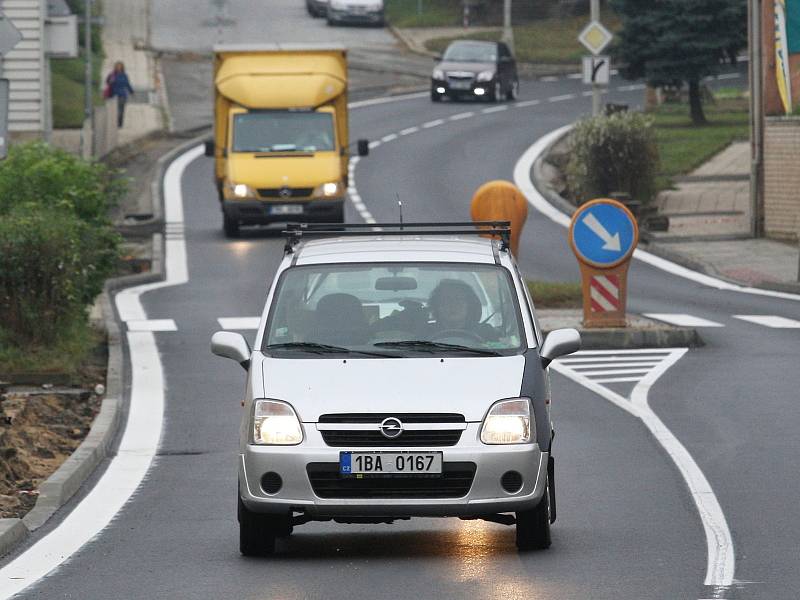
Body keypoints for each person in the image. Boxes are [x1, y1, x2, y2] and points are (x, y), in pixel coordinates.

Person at [427, 279, 497, 341]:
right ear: (437, 306)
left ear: (470, 305)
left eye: (458, 299)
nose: (453, 305)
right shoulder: (426, 331)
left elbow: (497, 349)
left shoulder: (486, 332)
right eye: (447, 300)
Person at [106, 62, 134, 128]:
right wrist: (110, 81)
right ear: (115, 67)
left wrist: (131, 91)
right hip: (113, 95)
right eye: (117, 66)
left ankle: (119, 124)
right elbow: (107, 82)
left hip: (122, 95)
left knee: (121, 110)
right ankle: (115, 123)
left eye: (120, 67)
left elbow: (127, 84)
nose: (118, 68)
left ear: (122, 68)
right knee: (115, 110)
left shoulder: (124, 75)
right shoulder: (112, 75)